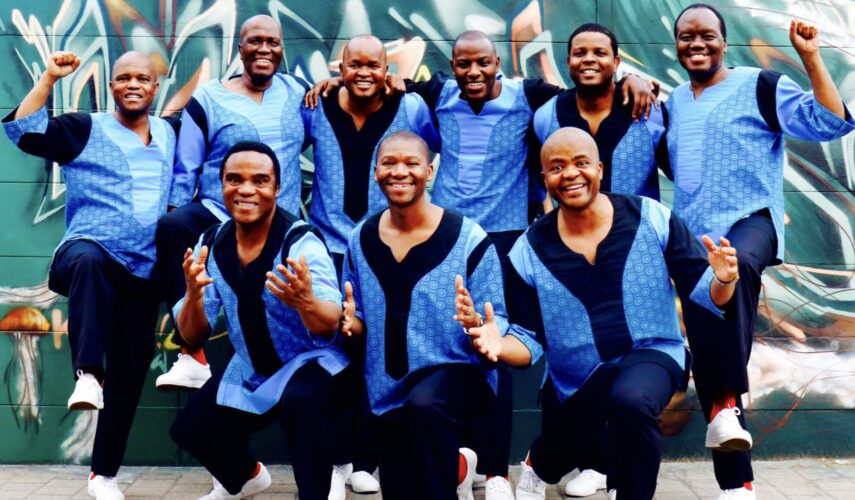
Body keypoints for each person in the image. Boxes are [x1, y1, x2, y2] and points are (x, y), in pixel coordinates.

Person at [468, 127, 736, 500]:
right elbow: (527, 342)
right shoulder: (527, 251)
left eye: (581, 163)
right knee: (560, 449)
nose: (570, 174)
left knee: (632, 401)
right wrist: (497, 344)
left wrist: (723, 280)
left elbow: (706, 294)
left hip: (652, 353)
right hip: (577, 379)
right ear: (545, 178)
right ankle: (539, 464)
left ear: (599, 169)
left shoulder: (650, 217)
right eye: (557, 167)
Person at [667, 5, 855, 498]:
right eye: (686, 37)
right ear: (677, 45)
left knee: (741, 264)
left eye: (706, 35)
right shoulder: (674, 102)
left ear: (723, 42)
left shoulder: (761, 85)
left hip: (750, 222)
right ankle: (737, 485)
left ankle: (726, 406)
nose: (696, 44)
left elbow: (832, 122)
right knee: (711, 349)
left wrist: (811, 58)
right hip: (695, 240)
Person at [3, 51, 176, 499]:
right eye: (124, 77)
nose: (133, 84)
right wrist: (48, 78)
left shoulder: (169, 133)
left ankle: (103, 476)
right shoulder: (83, 128)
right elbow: (23, 130)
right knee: (89, 260)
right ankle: (88, 374)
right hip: (87, 256)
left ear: (155, 88)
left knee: (131, 375)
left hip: (143, 272)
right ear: (112, 87)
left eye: (143, 78)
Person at [340, 131, 538, 500]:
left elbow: (496, 320)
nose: (400, 171)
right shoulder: (360, 239)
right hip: (387, 389)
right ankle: (459, 469)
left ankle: (459, 470)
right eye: (389, 163)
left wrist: (480, 327)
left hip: (457, 375)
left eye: (412, 163)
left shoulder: (468, 238)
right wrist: (353, 324)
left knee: (425, 406)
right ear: (375, 172)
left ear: (429, 171)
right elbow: (360, 314)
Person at [533, 22, 670, 497]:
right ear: (567, 60)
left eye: (599, 52)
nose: (588, 60)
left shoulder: (647, 109)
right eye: (578, 52)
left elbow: (674, 165)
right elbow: (539, 177)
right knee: (576, 354)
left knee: (631, 361)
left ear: (617, 60)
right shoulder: (548, 115)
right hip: (572, 250)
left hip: (634, 255)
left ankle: (619, 472)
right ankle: (587, 462)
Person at [169, 141, 350, 500]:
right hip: (254, 369)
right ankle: (247, 478)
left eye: (260, 180)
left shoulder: (301, 243)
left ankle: (317, 487)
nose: (247, 189)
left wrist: (306, 301)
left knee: (303, 401)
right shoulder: (211, 242)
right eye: (235, 179)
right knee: (190, 430)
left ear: (277, 188)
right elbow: (193, 334)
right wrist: (193, 296)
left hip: (314, 364)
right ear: (222, 184)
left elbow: (329, 323)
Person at [303, 34, 438, 499]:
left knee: (379, 347)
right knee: (332, 351)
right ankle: (337, 460)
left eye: (373, 65)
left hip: (385, 246)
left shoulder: (411, 108)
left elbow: (435, 154)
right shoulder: (315, 106)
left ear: (387, 70)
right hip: (327, 247)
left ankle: (367, 459)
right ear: (339, 68)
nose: (363, 73)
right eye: (354, 64)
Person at [155, 14, 310, 390]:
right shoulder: (208, 98)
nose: (264, 49)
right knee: (172, 228)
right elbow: (186, 167)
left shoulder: (300, 93)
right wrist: (176, 213)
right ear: (240, 49)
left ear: (282, 49)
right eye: (255, 41)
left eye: (272, 42)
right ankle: (191, 354)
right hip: (220, 214)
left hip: (278, 222)